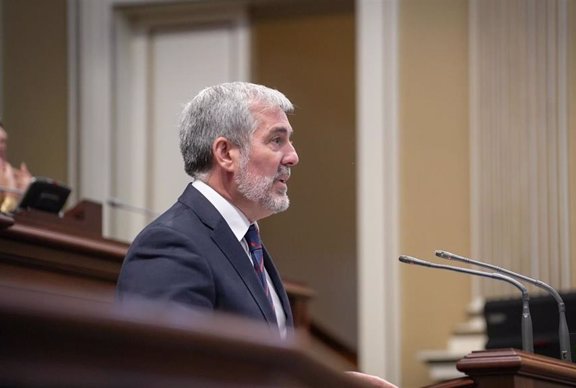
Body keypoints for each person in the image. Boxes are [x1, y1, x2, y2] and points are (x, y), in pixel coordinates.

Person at [116, 82, 396, 387]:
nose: (293, 157)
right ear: (225, 153)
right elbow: (165, 377)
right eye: (277, 140)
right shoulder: (171, 246)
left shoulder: (245, 242)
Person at [0, 122, 32, 213]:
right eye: (0, 142)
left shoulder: (10, 173)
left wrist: (26, 193)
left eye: (4, 142)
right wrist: (11, 193)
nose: (3, 148)